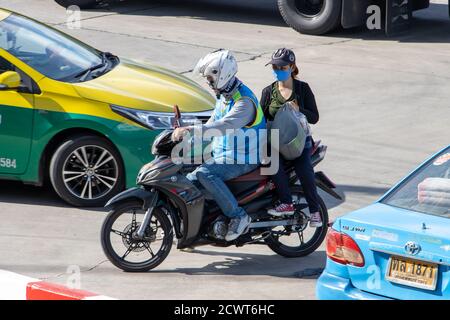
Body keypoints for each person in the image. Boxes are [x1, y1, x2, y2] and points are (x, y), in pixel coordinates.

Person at [172, 49, 266, 241]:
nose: (208, 82)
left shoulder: (244, 102)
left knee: (205, 173)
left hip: (244, 157)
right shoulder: (225, 96)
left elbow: (224, 126)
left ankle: (239, 216)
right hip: (224, 154)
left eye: (210, 78)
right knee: (188, 181)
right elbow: (211, 123)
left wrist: (191, 131)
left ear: (221, 74)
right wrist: (187, 136)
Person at [260, 48, 322, 227]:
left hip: (298, 140)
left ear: (292, 67)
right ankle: (285, 202)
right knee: (269, 163)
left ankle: (315, 210)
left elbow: (314, 117)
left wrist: (299, 109)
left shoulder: (302, 88)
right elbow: (261, 119)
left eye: (282, 67)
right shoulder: (268, 91)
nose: (278, 70)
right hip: (276, 141)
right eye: (275, 67)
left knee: (305, 171)